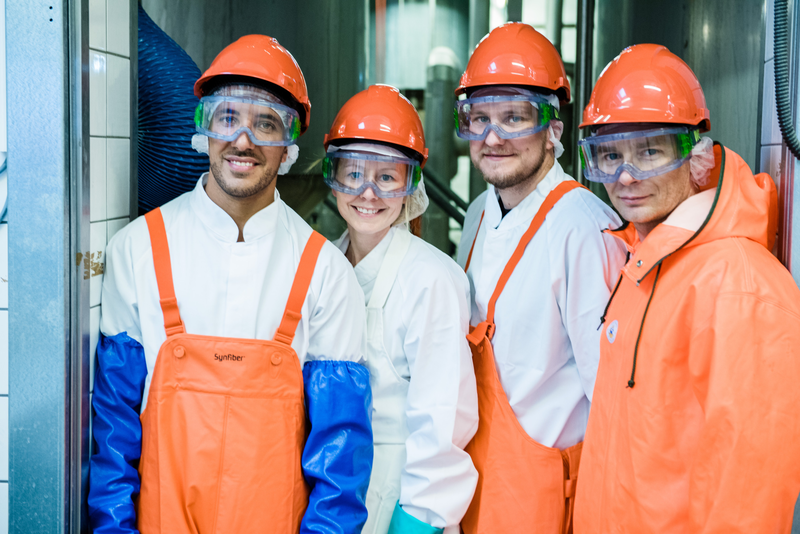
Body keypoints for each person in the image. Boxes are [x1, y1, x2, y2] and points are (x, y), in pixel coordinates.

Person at [88, 35, 373, 534]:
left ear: (289, 146)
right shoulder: (138, 249)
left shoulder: (325, 272)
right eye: (227, 117)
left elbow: (339, 460)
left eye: (266, 123)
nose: (243, 140)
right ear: (204, 128)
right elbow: (114, 431)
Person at [573, 43, 800, 533]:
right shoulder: (642, 263)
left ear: (695, 155)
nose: (626, 175)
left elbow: (747, 500)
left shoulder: (737, 284)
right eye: (609, 155)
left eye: (649, 151)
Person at [453, 23, 627, 533]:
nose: (493, 137)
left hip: (543, 503)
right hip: (475, 489)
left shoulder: (583, 227)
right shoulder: (479, 213)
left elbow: (610, 400)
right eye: (479, 118)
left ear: (553, 128)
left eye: (514, 117)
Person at [323, 84, 479, 534]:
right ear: (333, 176)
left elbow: (442, 421)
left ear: (411, 185)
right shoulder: (322, 267)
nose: (368, 193)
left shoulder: (432, 279)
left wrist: (416, 522)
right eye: (353, 173)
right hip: (329, 492)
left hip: (399, 493)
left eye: (387, 177)